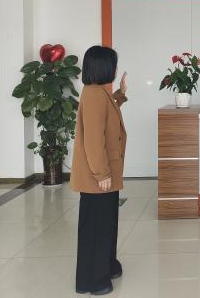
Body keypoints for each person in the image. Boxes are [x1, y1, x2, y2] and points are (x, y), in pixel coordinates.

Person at [70, 46, 128, 296]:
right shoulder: (94, 94)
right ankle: (93, 281)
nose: (115, 69)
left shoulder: (98, 92)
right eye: (113, 64)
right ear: (103, 67)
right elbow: (93, 139)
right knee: (96, 228)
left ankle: (107, 265)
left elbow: (109, 110)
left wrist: (121, 94)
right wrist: (102, 174)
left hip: (105, 173)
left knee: (106, 223)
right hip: (99, 176)